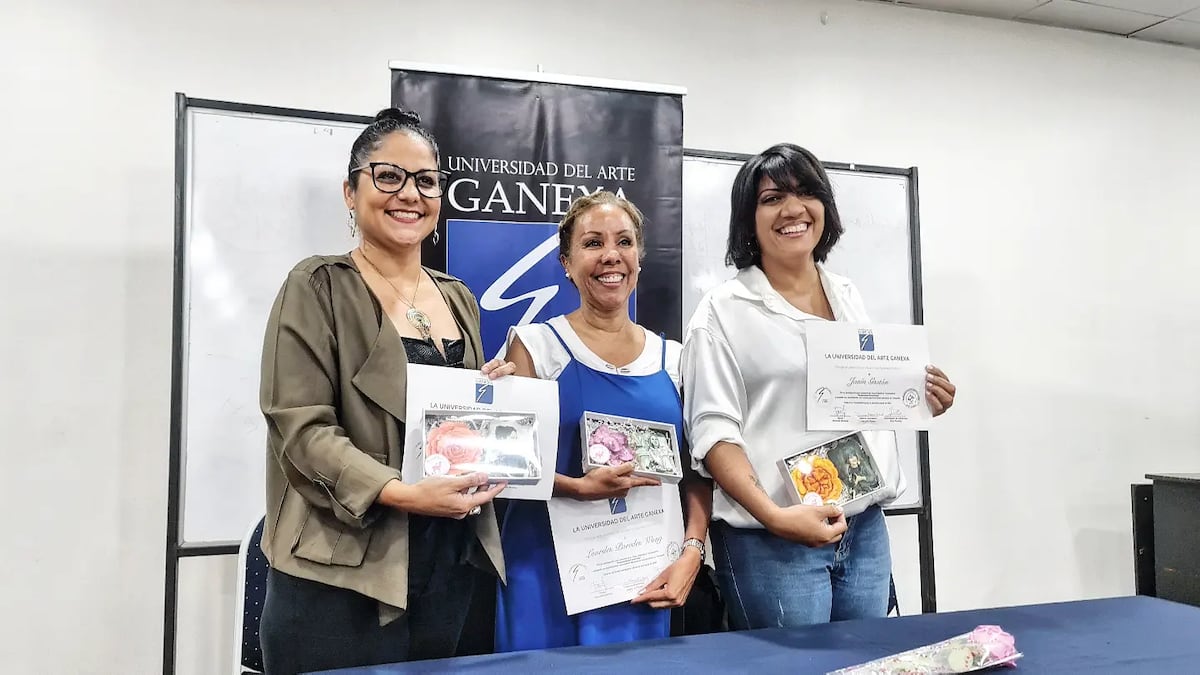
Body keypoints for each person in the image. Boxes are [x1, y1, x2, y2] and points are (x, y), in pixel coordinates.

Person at [257, 107, 515, 674]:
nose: (410, 194)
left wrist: (492, 396)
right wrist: (401, 493)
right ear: (351, 192)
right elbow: (302, 430)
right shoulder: (316, 286)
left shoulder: (458, 297)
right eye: (389, 176)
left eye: (426, 181)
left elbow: (452, 426)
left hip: (452, 563)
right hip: (343, 572)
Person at [681, 143, 957, 629]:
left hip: (863, 527)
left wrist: (917, 395)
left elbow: (859, 399)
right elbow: (713, 434)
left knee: (865, 659)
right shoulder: (722, 311)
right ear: (748, 219)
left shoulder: (846, 294)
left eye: (806, 193)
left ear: (824, 206)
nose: (793, 209)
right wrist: (774, 516)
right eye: (772, 199)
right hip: (772, 539)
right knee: (795, 664)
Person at [495, 191, 713, 650]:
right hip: (546, 573)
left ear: (639, 258)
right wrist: (575, 488)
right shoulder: (535, 347)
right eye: (593, 243)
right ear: (566, 262)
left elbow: (698, 473)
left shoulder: (674, 360)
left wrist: (692, 552)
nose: (611, 255)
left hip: (643, 576)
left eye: (624, 242)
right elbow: (505, 464)